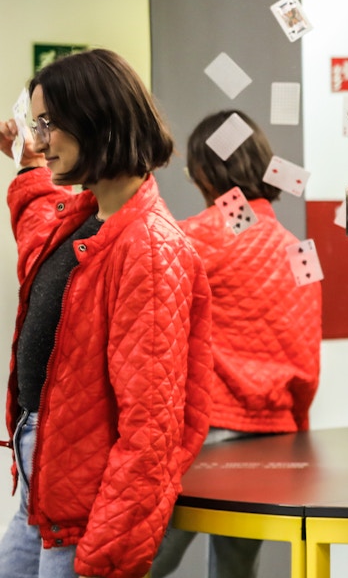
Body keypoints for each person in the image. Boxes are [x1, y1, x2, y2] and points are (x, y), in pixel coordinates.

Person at [0, 49, 213, 578]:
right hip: (44, 485)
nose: (41, 138)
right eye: (37, 124)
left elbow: (151, 428)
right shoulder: (84, 218)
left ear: (97, 120)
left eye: (49, 124)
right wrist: (27, 166)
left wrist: (109, 551)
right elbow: (36, 231)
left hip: (86, 509)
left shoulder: (149, 248)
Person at [151, 110, 322, 578]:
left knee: (139, 561)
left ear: (205, 173)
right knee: (236, 570)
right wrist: (295, 428)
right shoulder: (299, 250)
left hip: (208, 432)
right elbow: (309, 366)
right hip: (273, 439)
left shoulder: (199, 235)